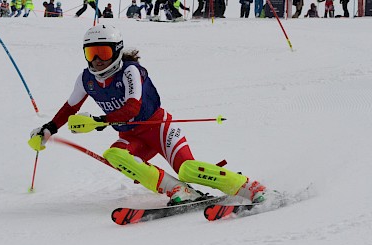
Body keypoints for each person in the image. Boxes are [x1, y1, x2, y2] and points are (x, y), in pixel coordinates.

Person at [28, 24, 269, 207]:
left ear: (117, 51)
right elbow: (69, 108)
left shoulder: (131, 71)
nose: (98, 60)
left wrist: (99, 121)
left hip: (159, 129)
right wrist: (47, 129)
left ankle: (247, 186)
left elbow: (133, 108)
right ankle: (176, 190)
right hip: (131, 136)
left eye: (103, 52)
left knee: (187, 169)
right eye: (91, 54)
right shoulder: (86, 79)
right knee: (114, 154)